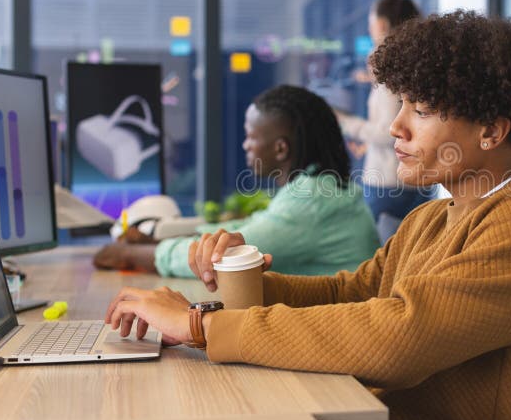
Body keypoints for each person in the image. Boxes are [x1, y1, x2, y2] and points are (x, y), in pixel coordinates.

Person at [104, 11, 511, 420]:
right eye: (401, 103)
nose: (395, 127)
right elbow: (352, 295)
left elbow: (402, 336)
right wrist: (240, 279)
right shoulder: (432, 216)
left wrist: (200, 325)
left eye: (420, 110)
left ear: (491, 130)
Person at [93, 85, 380, 278]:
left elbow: (223, 256)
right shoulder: (320, 189)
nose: (245, 146)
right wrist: (160, 238)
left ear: (281, 149)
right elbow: (243, 230)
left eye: (250, 136)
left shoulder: (312, 200)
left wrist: (127, 253)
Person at [337, 0, 429, 229]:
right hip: (415, 181)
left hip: (388, 183)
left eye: (372, 23)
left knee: (385, 259)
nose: (369, 29)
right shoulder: (418, 65)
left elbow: (388, 132)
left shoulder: (392, 70)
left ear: (384, 25)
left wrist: (344, 122)